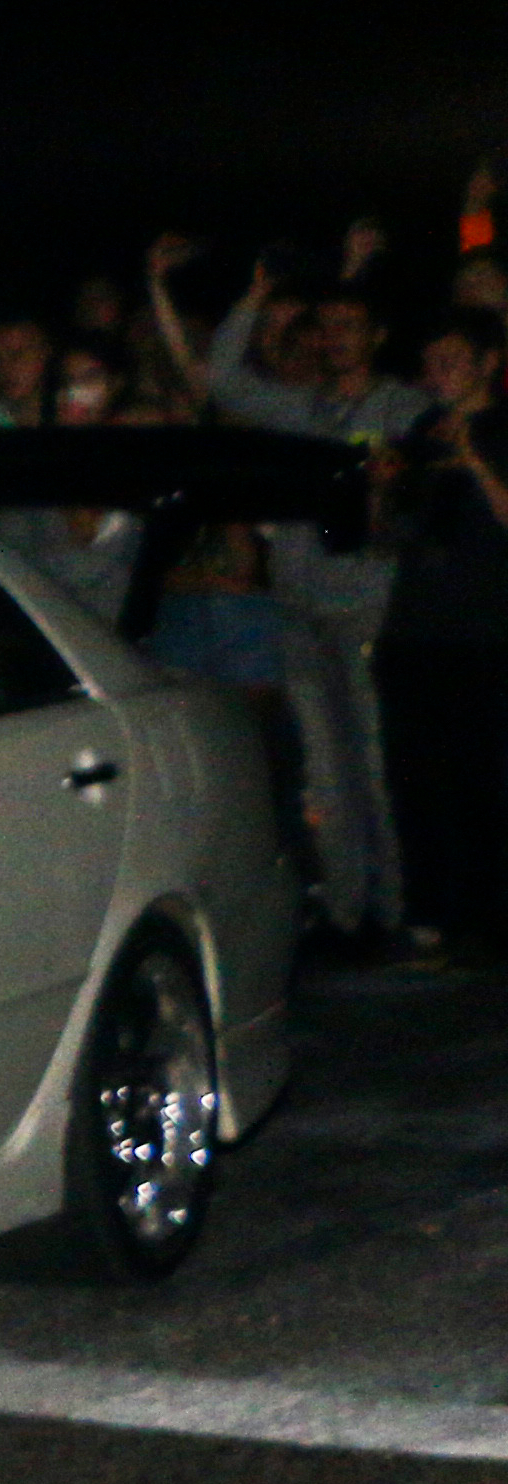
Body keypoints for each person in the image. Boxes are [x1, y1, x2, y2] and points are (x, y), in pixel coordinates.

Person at [158, 241, 429, 948]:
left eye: (350, 326)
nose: (337, 338)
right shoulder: (299, 408)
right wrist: (254, 300)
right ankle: (344, 912)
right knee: (324, 772)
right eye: (327, 326)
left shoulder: (406, 406)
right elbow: (220, 377)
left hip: (370, 608)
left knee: (375, 763)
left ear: (377, 336)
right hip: (300, 609)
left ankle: (395, 910)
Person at [375, 308, 508, 958]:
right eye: (431, 362)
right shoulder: (420, 431)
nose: (439, 373)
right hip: (413, 632)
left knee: (486, 778)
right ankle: (428, 910)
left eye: (453, 359)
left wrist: (473, 459)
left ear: (488, 361)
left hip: (486, 635)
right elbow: (389, 538)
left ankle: (488, 916)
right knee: (415, 779)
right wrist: (381, 491)